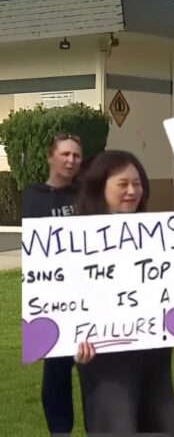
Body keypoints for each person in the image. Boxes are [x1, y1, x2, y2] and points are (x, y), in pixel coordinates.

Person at [72, 150, 174, 436]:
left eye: (138, 183)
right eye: (123, 184)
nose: (132, 191)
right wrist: (70, 343)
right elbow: (59, 303)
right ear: (101, 186)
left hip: (154, 357)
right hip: (104, 362)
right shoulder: (72, 240)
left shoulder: (160, 236)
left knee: (164, 427)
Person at [22, 133, 84, 436]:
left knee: (93, 369)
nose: (71, 160)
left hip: (90, 296)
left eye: (76, 155)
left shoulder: (87, 195)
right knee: (56, 372)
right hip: (54, 301)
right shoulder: (32, 196)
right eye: (65, 154)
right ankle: (60, 431)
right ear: (50, 157)